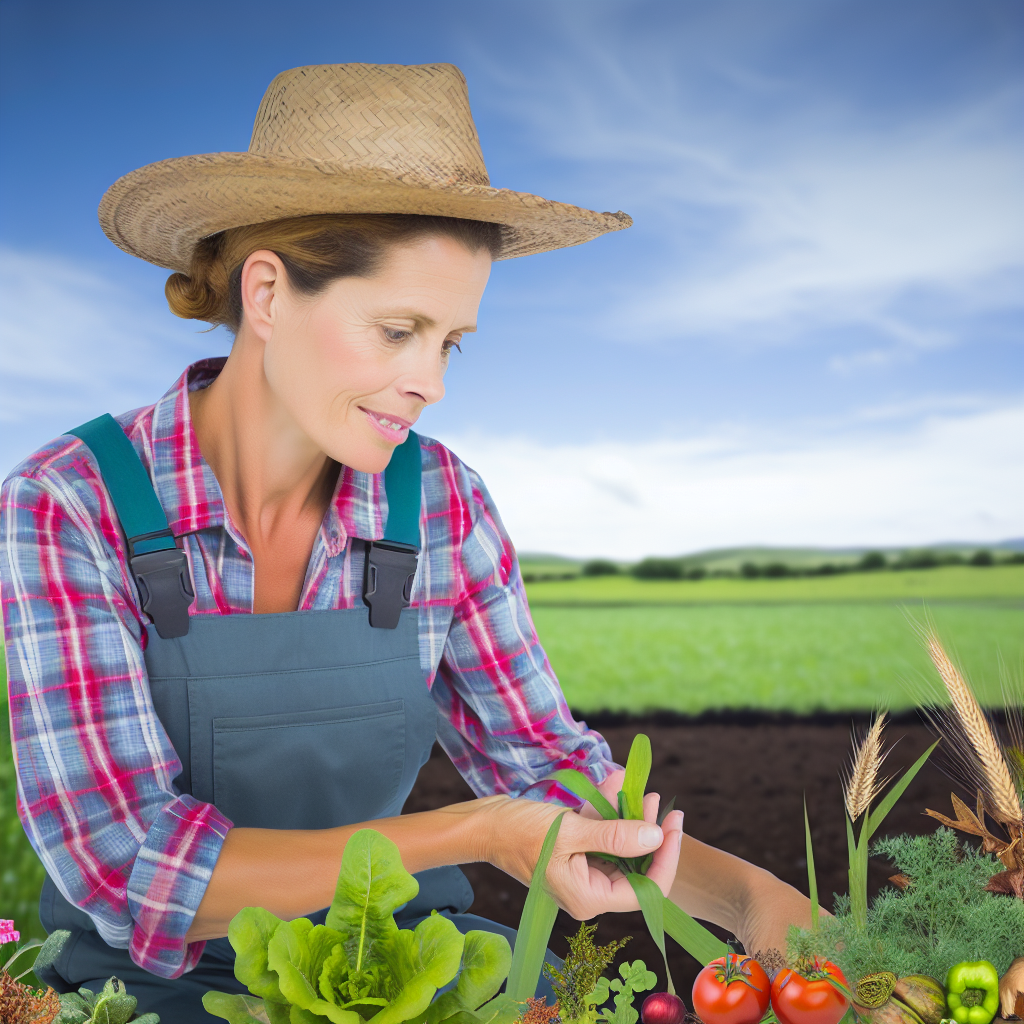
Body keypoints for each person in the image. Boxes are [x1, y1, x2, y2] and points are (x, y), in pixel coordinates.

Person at [0, 63, 812, 1021]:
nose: (431, 381)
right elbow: (129, 866)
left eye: (450, 342)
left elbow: (540, 767)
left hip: (420, 964)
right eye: (397, 330)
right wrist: (471, 832)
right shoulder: (71, 504)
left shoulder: (443, 505)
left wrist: (752, 900)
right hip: (159, 990)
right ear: (267, 293)